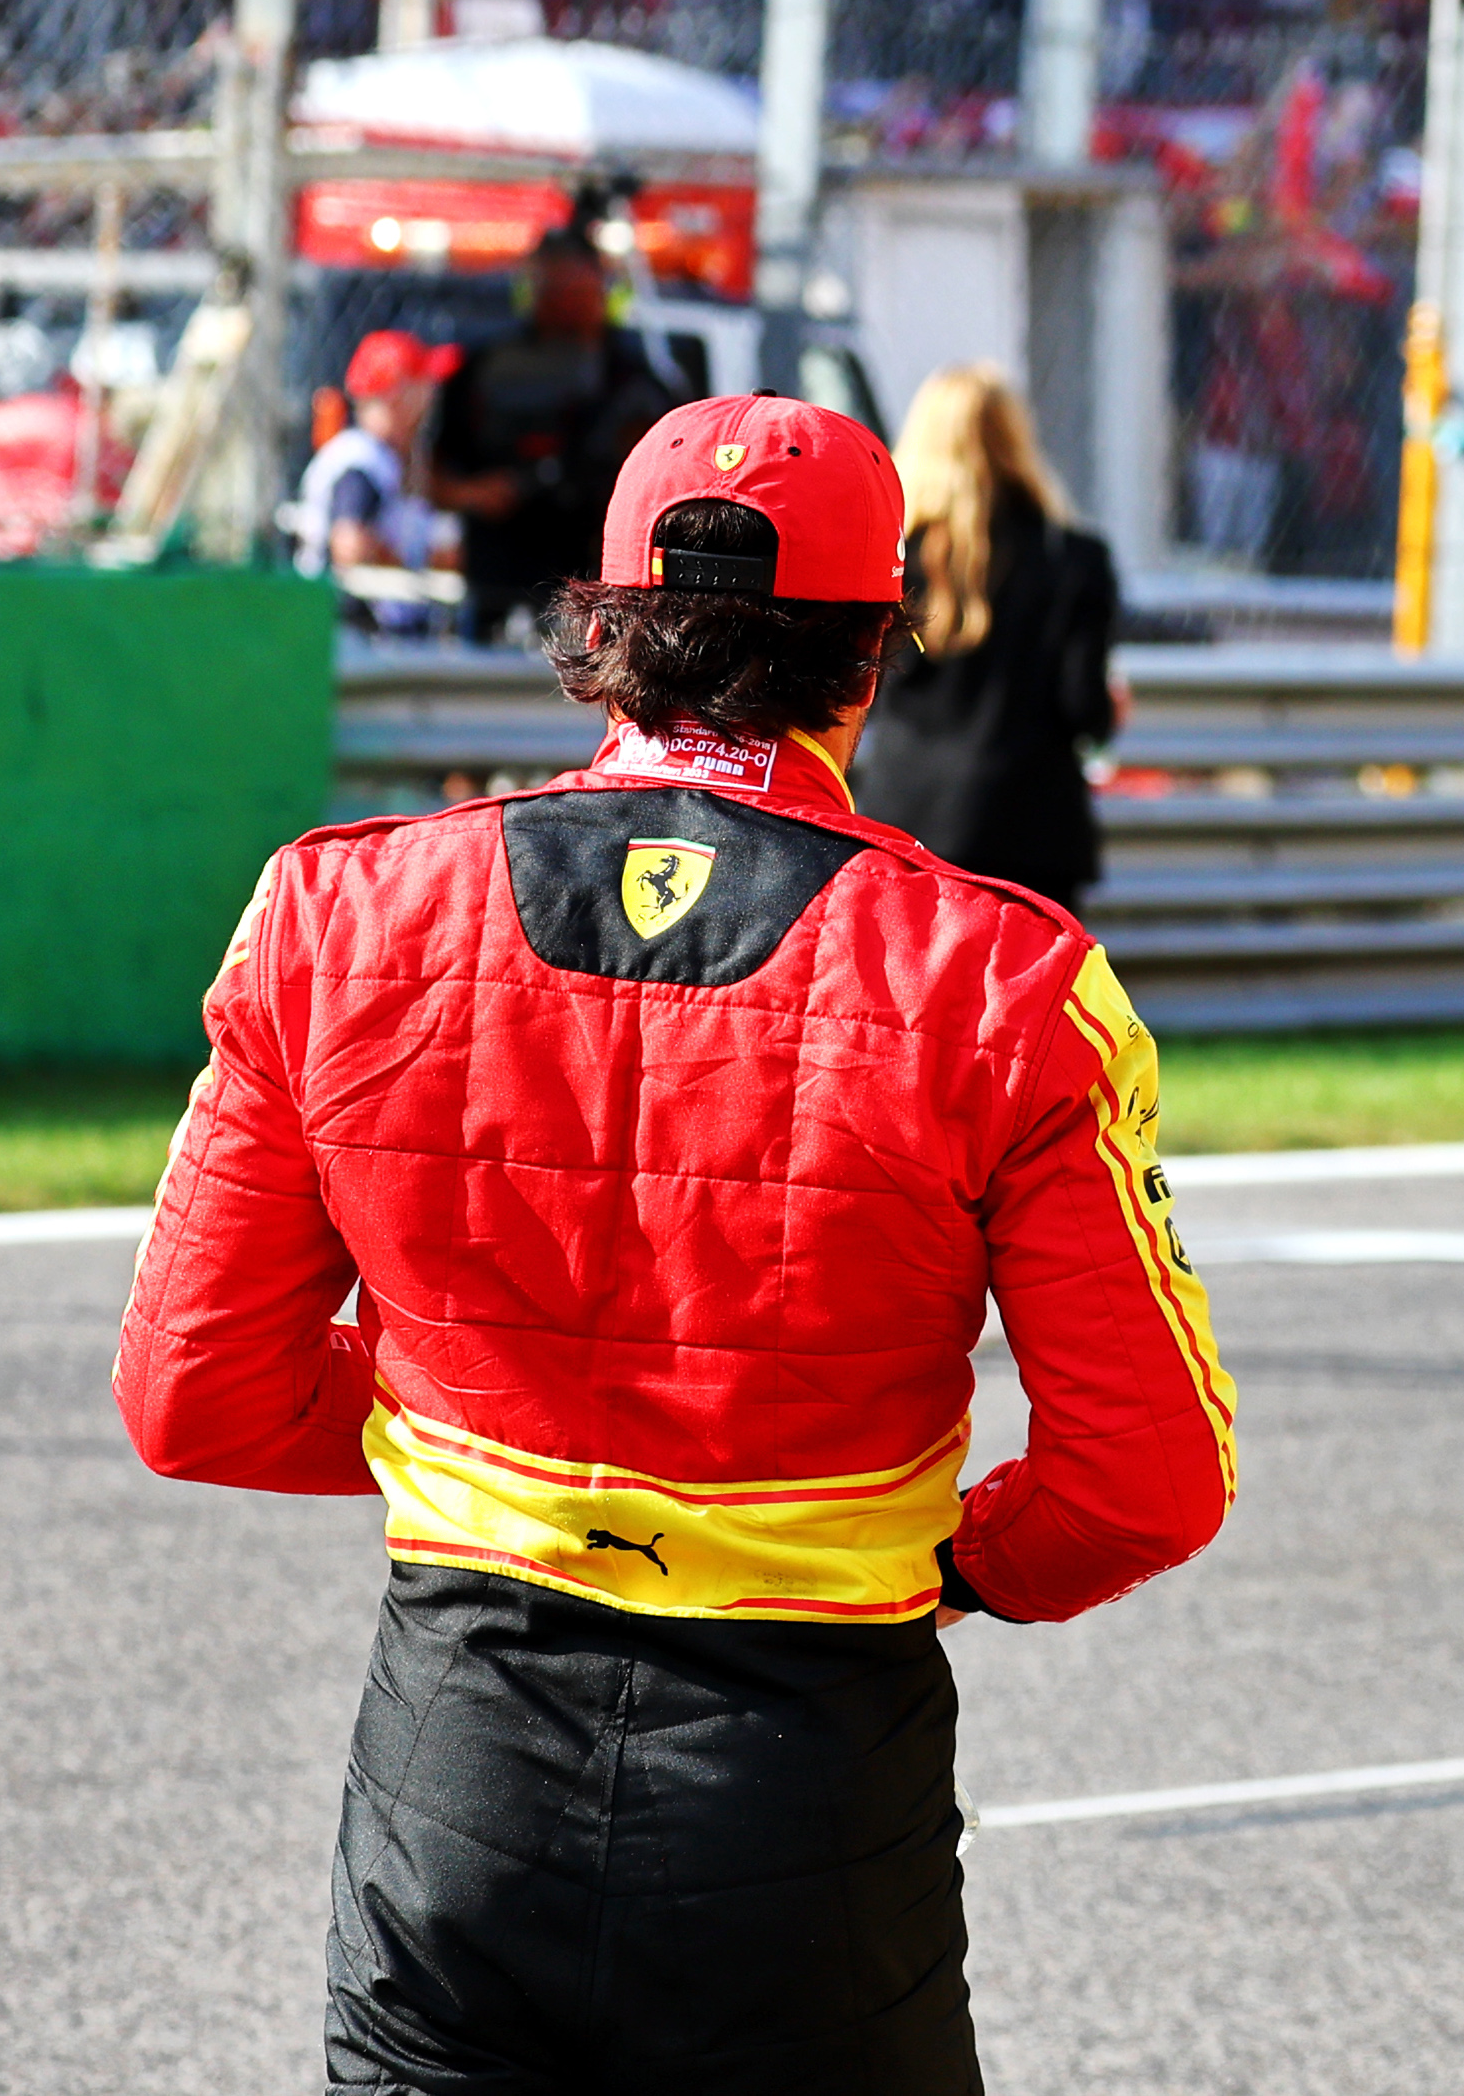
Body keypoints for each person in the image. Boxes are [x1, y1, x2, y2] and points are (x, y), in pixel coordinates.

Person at [114, 393, 1240, 2093]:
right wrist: (969, 1564)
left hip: (461, 1760)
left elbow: (193, 1398)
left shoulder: (332, 915)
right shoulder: (1002, 978)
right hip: (805, 1776)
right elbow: (1146, 1476)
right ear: (876, 648)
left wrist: (452, 1406)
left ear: (604, 631)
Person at [849, 368, 1126, 912]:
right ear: (1016, 440)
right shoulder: (1073, 558)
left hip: (906, 820)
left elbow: (862, 694)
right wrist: (1110, 709)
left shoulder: (888, 559)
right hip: (1030, 830)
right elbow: (1083, 707)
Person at [424, 226, 692, 643]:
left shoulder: (637, 383)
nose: (566, 307)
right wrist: (477, 493)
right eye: (554, 292)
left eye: (578, 292)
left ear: (599, 290)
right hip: (499, 577)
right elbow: (433, 477)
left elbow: (675, 484)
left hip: (595, 578)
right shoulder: (485, 371)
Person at [294, 330, 454, 637]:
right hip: (353, 632)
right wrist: (406, 564)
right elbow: (348, 545)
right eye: (422, 386)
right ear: (398, 397)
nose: (430, 397)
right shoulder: (362, 459)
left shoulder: (387, 457)